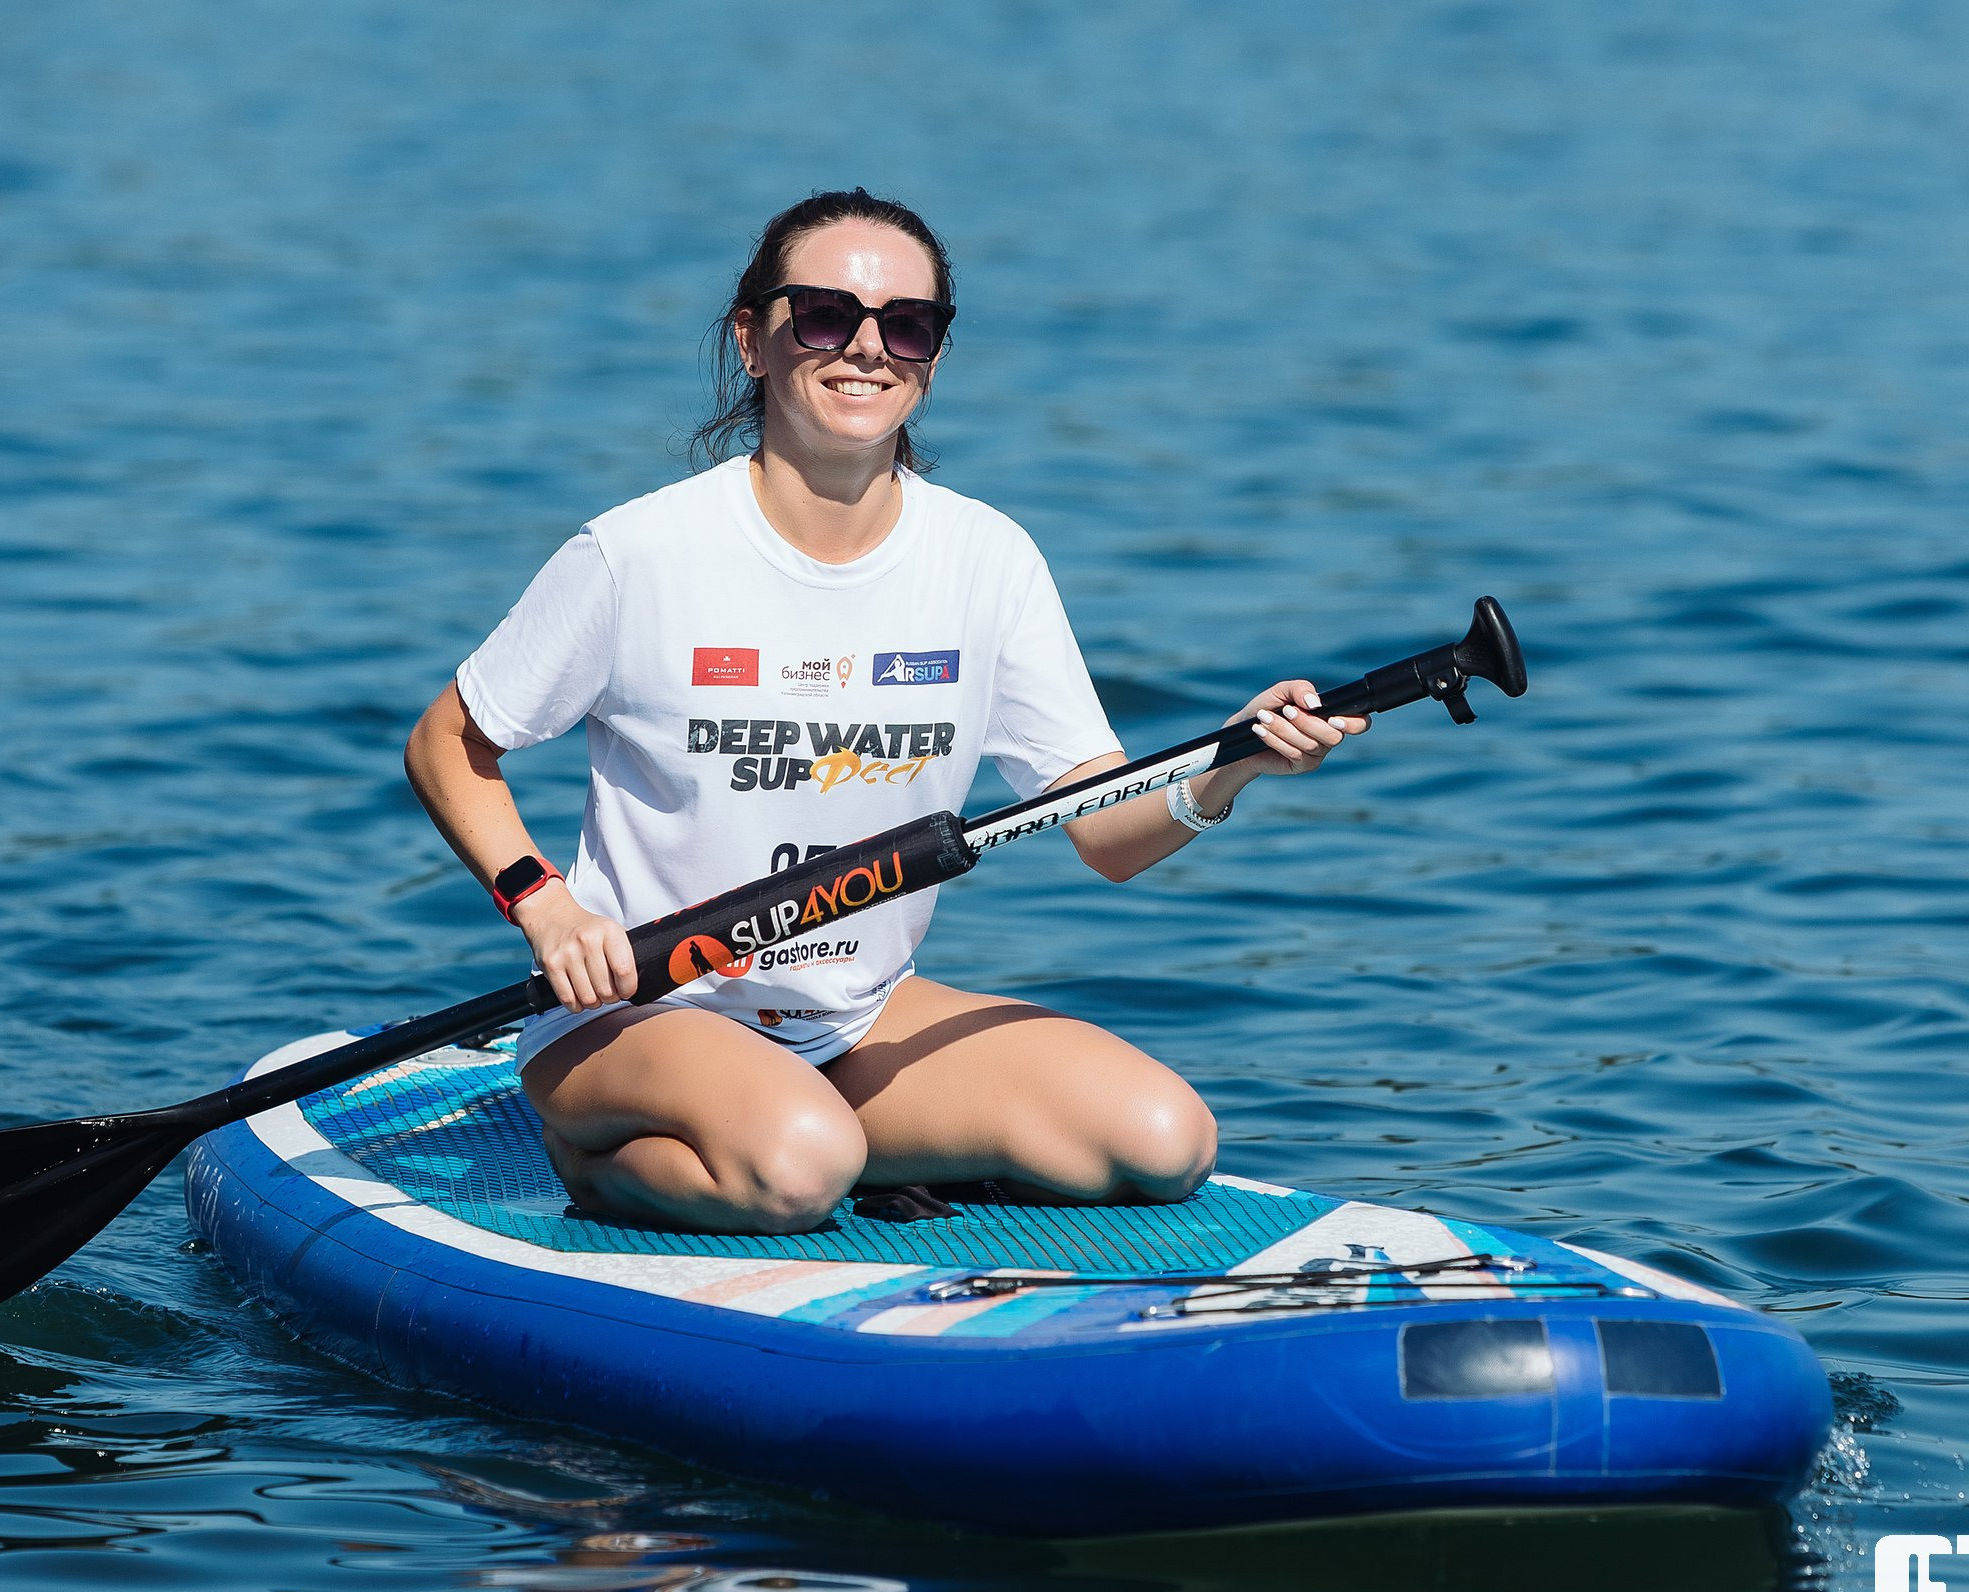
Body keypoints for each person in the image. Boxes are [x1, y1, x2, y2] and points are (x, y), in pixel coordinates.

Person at [405, 188, 1366, 1235]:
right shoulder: (638, 553)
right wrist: (544, 903)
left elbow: (1102, 830)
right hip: (635, 1011)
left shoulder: (984, 558)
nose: (866, 348)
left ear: (934, 358)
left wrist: (1230, 767)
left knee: (1160, 1140)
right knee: (801, 1164)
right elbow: (449, 742)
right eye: (824, 315)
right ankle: (603, 1159)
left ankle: (806, 1136)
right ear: (752, 340)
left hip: (851, 1022)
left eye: (906, 325)